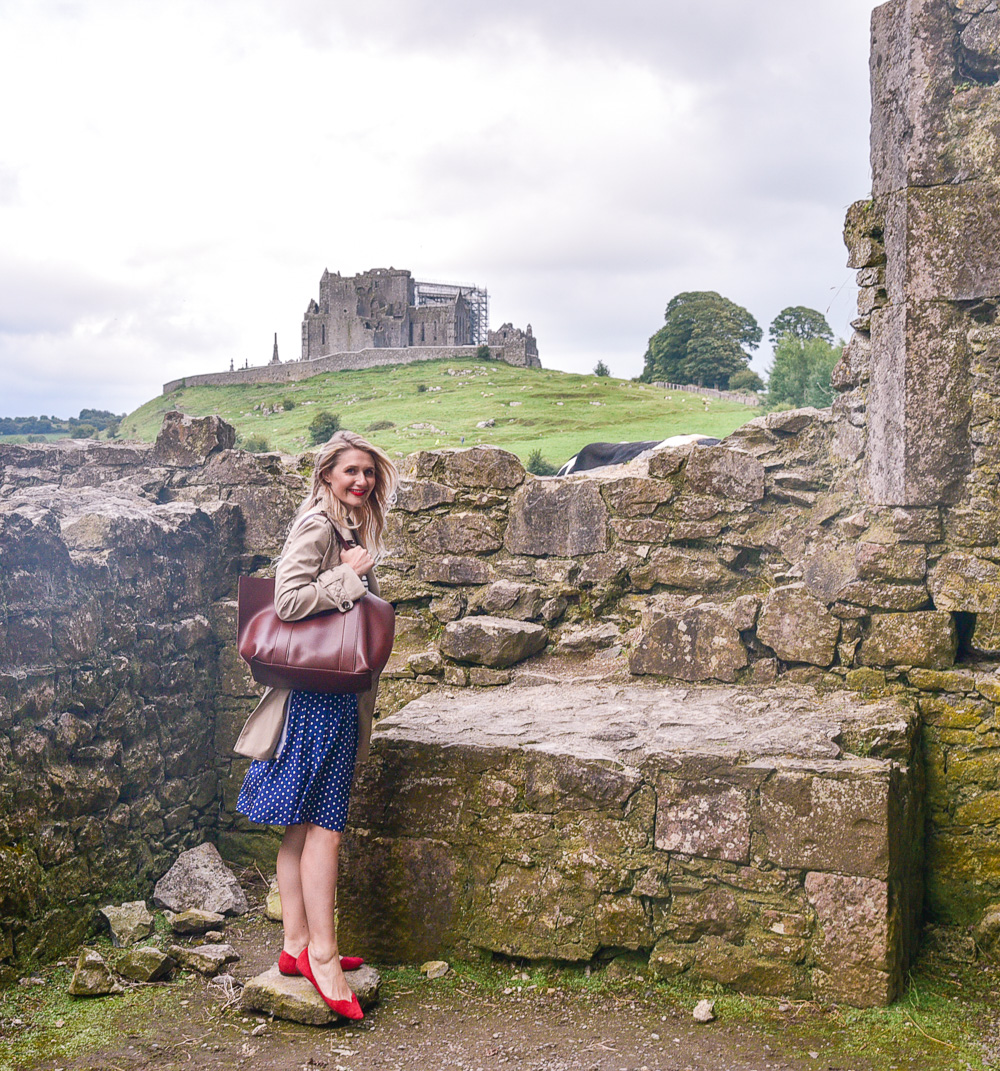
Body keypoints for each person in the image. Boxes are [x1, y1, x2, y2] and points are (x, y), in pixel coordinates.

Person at [236, 430, 398, 1021]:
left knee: (301, 831)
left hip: (326, 697)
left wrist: (354, 564)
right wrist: (350, 575)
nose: (362, 481)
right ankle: (323, 958)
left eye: (369, 474)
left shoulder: (348, 528)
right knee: (325, 829)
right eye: (351, 471)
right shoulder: (319, 526)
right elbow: (287, 601)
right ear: (327, 473)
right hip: (314, 704)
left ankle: (294, 947)